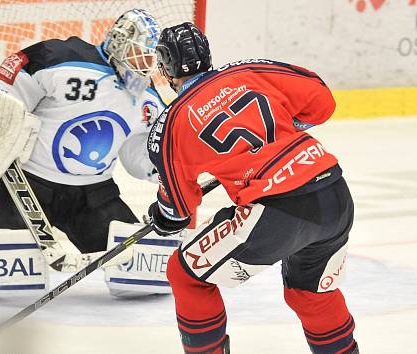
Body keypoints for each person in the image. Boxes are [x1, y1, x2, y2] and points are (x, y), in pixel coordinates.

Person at [147, 23, 359, 354]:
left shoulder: (171, 123)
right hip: (334, 193)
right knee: (310, 294)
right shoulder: (250, 70)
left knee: (185, 274)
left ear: (166, 67)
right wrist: (281, 133)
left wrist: (162, 214)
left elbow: (178, 209)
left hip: (277, 211)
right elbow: (322, 101)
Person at [0, 9, 164, 254]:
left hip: (92, 197)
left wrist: (162, 170)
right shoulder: (65, 58)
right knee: (3, 261)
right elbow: (15, 70)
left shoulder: (145, 97)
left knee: (139, 259)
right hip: (27, 185)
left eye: (148, 59)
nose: (142, 66)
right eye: (137, 54)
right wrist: (2, 120)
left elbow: (139, 151)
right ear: (119, 42)